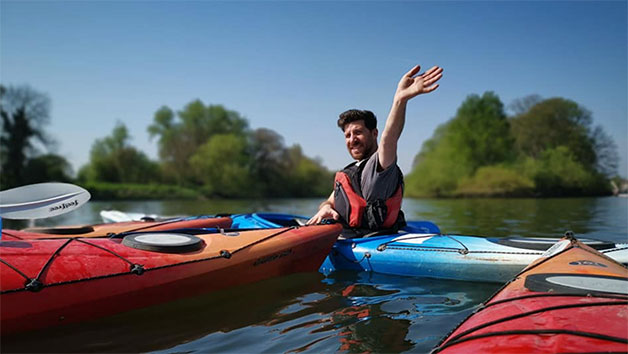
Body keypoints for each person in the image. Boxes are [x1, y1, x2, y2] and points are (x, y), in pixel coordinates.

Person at [307, 64, 443, 236]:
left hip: (372, 243)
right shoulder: (351, 172)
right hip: (346, 235)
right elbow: (329, 200)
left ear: (374, 134)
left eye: (358, 132)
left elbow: (390, 138)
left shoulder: (380, 165)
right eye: (347, 135)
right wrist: (326, 208)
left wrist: (400, 100)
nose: (352, 139)